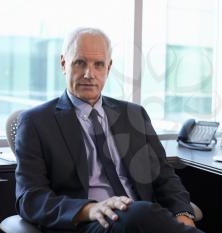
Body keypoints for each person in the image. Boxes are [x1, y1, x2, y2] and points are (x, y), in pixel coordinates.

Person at [15, 27, 205, 233]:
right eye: (80, 63)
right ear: (63, 64)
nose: (89, 74)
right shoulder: (36, 121)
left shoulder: (134, 114)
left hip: (145, 219)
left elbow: (164, 177)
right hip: (89, 224)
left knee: (142, 213)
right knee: (138, 213)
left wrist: (182, 215)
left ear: (109, 68)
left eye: (98, 65)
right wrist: (90, 209)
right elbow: (31, 198)